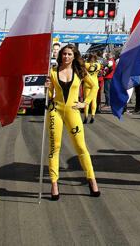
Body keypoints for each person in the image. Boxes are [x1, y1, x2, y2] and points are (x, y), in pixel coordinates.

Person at [45, 44, 100, 199]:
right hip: (55, 111)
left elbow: (94, 86)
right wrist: (46, 87)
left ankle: (92, 181)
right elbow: (49, 96)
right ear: (60, 55)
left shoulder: (79, 71)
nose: (66, 57)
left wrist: (85, 103)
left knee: (81, 147)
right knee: (54, 148)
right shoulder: (53, 72)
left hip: (73, 112)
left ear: (74, 56)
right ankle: (54, 184)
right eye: (64, 54)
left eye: (69, 54)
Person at [84, 54, 101, 124]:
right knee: (94, 100)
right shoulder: (98, 65)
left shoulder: (86, 64)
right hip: (95, 83)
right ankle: (93, 116)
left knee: (86, 100)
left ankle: (86, 117)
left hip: (87, 83)